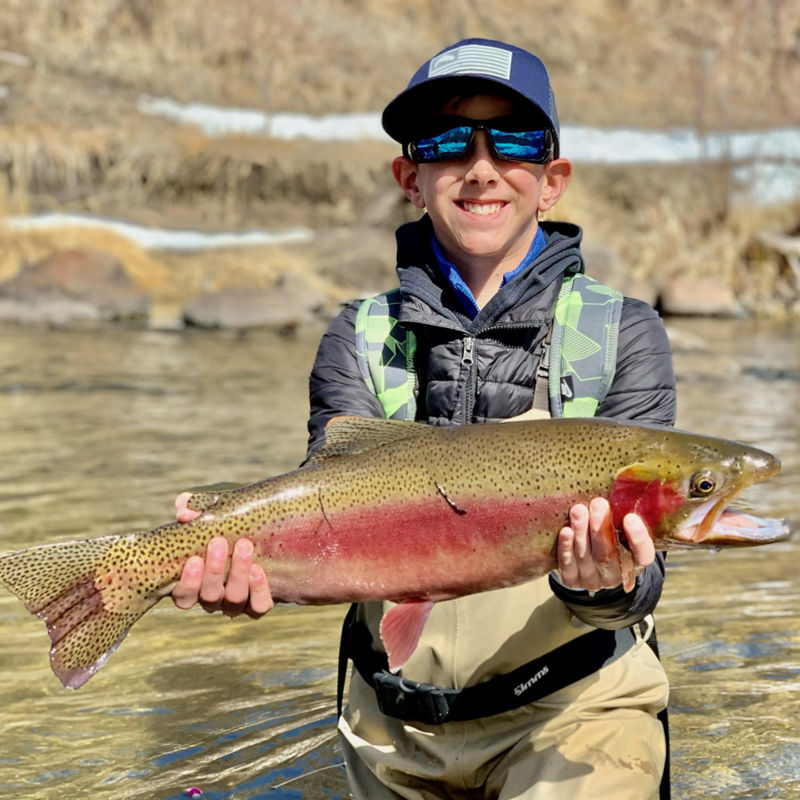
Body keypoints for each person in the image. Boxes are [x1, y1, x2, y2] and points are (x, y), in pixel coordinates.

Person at [172, 38, 676, 800]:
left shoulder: (620, 335)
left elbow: (647, 577)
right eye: (447, 142)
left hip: (575, 715)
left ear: (552, 181)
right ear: (410, 179)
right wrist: (238, 564)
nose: (481, 167)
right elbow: (330, 518)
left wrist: (602, 585)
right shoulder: (360, 336)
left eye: (513, 140)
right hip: (393, 727)